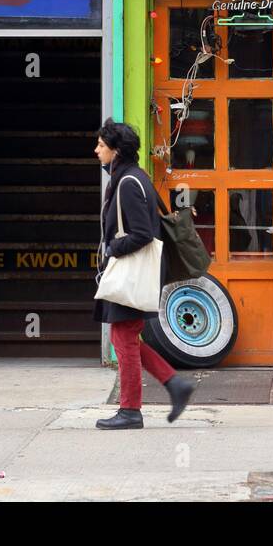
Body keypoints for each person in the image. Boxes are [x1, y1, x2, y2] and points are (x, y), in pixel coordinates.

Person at [92, 119, 195, 430]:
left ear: (117, 150)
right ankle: (174, 384)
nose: (96, 150)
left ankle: (131, 410)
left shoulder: (127, 183)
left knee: (122, 336)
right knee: (125, 336)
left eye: (101, 145)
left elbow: (143, 234)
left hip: (133, 272)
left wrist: (112, 249)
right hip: (136, 271)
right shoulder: (132, 177)